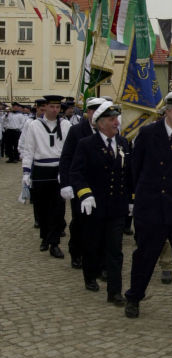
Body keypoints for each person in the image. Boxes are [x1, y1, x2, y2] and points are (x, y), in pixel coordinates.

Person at [124, 89, 172, 332]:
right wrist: (135, 200)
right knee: (145, 256)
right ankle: (134, 296)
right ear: (166, 111)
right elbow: (135, 169)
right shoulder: (148, 133)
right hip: (152, 207)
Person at [70, 101, 132, 305]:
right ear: (101, 123)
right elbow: (76, 173)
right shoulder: (86, 144)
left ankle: (114, 292)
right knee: (92, 245)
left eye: (117, 119)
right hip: (93, 206)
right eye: (112, 119)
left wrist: (131, 199)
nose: (117, 122)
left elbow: (129, 174)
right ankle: (90, 276)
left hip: (116, 208)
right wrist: (84, 194)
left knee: (115, 250)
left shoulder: (124, 143)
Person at [21, 95, 71, 258]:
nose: (55, 110)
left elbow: (69, 150)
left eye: (58, 107)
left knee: (58, 209)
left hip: (58, 170)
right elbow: (29, 149)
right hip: (41, 170)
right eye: (52, 107)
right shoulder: (34, 125)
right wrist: (26, 172)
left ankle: (54, 243)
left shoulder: (65, 125)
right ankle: (44, 237)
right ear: (45, 107)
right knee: (41, 208)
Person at [59, 97, 104, 269]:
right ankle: (76, 251)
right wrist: (65, 183)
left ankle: (97, 256)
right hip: (80, 184)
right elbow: (66, 158)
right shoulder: (77, 131)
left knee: (99, 222)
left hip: (100, 186)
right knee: (79, 221)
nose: (95, 115)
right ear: (88, 113)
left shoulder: (109, 130)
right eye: (92, 111)